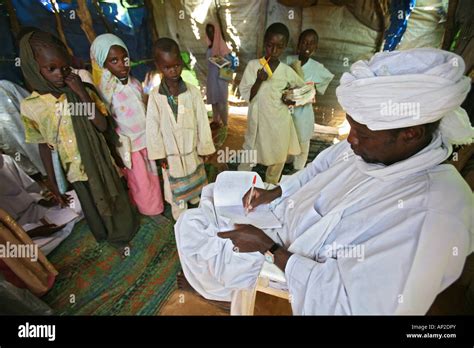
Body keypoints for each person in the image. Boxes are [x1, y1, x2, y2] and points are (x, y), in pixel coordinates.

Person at [174, 48, 473, 315]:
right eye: (352, 127)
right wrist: (277, 191)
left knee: (204, 240)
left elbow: (350, 306)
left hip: (292, 271)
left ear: (411, 133)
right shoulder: (373, 148)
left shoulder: (434, 214)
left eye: (362, 133)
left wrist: (268, 248)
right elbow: (319, 167)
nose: (351, 140)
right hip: (283, 221)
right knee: (211, 201)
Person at [19, 30, 138, 249]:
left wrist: (81, 93)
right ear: (33, 68)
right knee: (91, 205)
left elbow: (102, 125)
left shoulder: (80, 91)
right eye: (51, 69)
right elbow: (44, 146)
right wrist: (52, 182)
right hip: (73, 169)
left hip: (99, 161)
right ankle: (104, 235)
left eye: (64, 68)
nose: (59, 75)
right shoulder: (32, 106)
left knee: (113, 197)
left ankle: (124, 232)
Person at [90, 33, 164, 216]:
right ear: (102, 63)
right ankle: (149, 210)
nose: (122, 64)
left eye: (125, 58)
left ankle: (156, 204)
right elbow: (106, 121)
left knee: (152, 175)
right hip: (129, 146)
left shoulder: (134, 83)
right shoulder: (105, 91)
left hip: (146, 140)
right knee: (140, 180)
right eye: (114, 61)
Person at [146, 38, 216, 220]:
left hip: (191, 150)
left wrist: (205, 147)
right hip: (170, 155)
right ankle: (181, 218)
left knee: (195, 180)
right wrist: (159, 154)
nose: (174, 71)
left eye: (177, 65)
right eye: (167, 67)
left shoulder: (192, 92)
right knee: (176, 190)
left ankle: (196, 202)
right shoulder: (155, 96)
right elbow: (152, 127)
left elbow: (202, 119)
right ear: (159, 66)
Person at [237, 23, 305, 184]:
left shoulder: (287, 71)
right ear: (264, 43)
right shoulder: (254, 66)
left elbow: (302, 90)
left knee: (278, 154)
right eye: (270, 45)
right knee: (250, 151)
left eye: (279, 47)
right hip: (258, 119)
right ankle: (240, 181)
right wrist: (258, 82)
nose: (273, 51)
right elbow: (247, 95)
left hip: (279, 122)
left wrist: (290, 98)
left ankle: (270, 184)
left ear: (285, 47)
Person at [0, 153, 78, 255]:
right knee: (19, 253)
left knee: (77, 199)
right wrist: (31, 233)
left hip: (34, 210)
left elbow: (30, 189)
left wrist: (48, 202)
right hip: (15, 230)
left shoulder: (6, 160)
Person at [286, 29, 334, 170]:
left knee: (302, 140)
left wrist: (311, 92)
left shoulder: (317, 68)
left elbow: (326, 80)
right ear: (298, 44)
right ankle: (287, 160)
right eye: (304, 42)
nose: (307, 46)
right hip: (286, 109)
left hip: (303, 112)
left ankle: (298, 170)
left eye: (312, 43)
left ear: (316, 48)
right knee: (286, 137)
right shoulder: (288, 61)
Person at [205, 22, 231, 129]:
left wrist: (219, 59)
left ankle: (225, 123)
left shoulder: (221, 45)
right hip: (212, 77)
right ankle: (216, 120)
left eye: (212, 32)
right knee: (214, 100)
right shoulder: (209, 47)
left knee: (222, 102)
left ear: (216, 32)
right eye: (208, 32)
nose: (210, 34)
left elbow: (229, 63)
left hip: (221, 78)